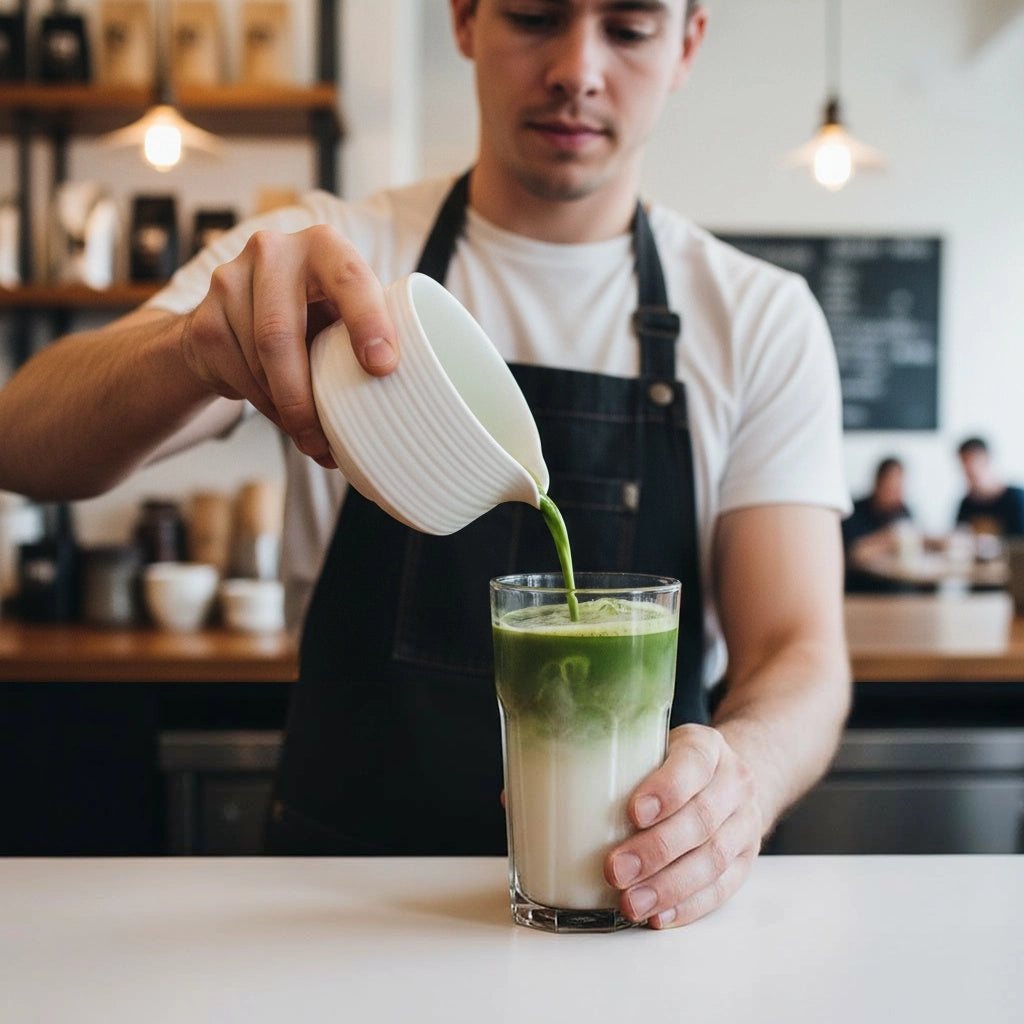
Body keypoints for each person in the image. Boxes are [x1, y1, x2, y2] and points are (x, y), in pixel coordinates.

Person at [0, 1, 851, 928]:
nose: (577, 66)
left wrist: (746, 782)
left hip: (627, 919)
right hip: (333, 909)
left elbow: (797, 650)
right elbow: (22, 439)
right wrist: (192, 354)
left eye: (630, 27)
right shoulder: (331, 259)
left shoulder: (758, 319)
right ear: (463, 19)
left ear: (687, 42)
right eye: (534, 14)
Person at [841, 456, 919, 592]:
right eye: (891, 486)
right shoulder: (854, 511)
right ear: (878, 482)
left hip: (896, 584)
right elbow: (854, 554)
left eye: (899, 486)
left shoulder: (903, 511)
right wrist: (887, 539)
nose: (896, 492)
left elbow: (914, 543)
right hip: (864, 588)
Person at [955, 436, 1024, 540]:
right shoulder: (966, 504)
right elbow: (959, 538)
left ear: (987, 460)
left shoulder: (1016, 499)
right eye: (964, 468)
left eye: (972, 466)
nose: (967, 473)